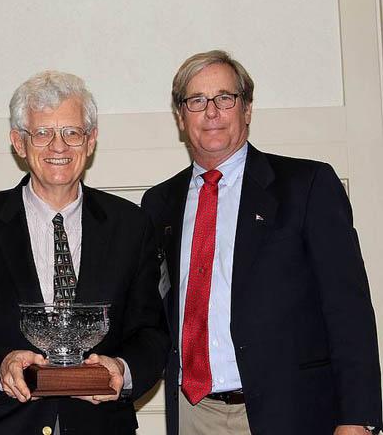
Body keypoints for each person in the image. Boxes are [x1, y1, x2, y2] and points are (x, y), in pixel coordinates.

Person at [141, 49, 382, 435]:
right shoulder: (158, 204)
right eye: (197, 101)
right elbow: (153, 311)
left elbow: (348, 311)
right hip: (193, 415)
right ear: (180, 117)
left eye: (225, 98)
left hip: (289, 412)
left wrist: (358, 418)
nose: (212, 112)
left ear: (247, 109)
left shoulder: (307, 187)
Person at [0, 70, 168, 434]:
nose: (59, 147)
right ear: (19, 143)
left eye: (72, 132)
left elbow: (151, 332)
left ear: (91, 141)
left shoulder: (131, 226)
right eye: (42, 133)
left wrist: (122, 369)